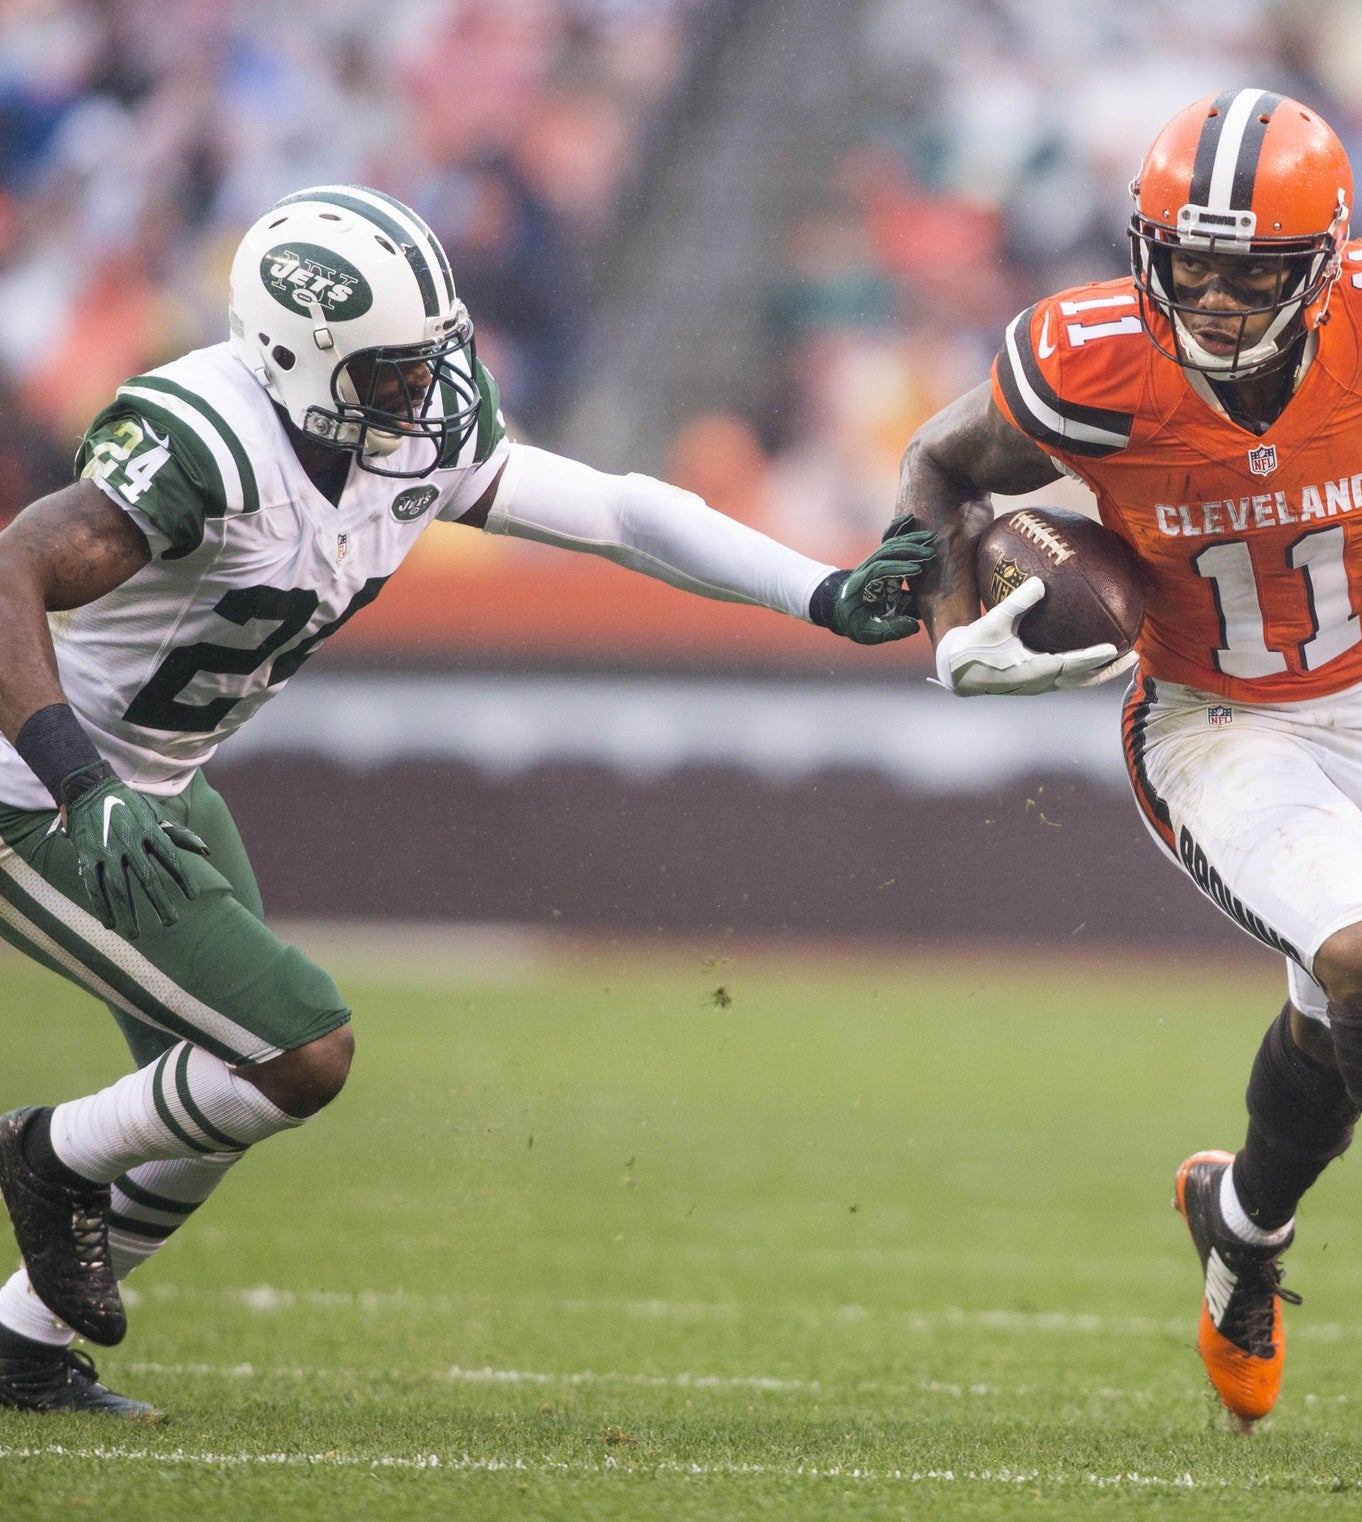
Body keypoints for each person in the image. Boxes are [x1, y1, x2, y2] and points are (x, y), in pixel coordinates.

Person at [0, 184, 931, 1416]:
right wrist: (76, 780)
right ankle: (46, 1151)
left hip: (156, 778)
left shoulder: (410, 429)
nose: (423, 393)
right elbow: (11, 567)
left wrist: (818, 590)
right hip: (35, 788)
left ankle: (19, 1342)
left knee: (208, 1096)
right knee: (296, 1048)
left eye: (430, 356)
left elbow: (608, 509)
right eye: (388, 371)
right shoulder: (205, 441)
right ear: (293, 355)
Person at [893, 90, 1362, 1428]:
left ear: (1328, 263)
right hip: (1212, 717)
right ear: (1145, 247)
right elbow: (940, 465)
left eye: (1252, 268)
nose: (1216, 297)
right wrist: (952, 631)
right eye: (1190, 261)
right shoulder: (1091, 361)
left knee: (1343, 1024)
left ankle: (1238, 1229)